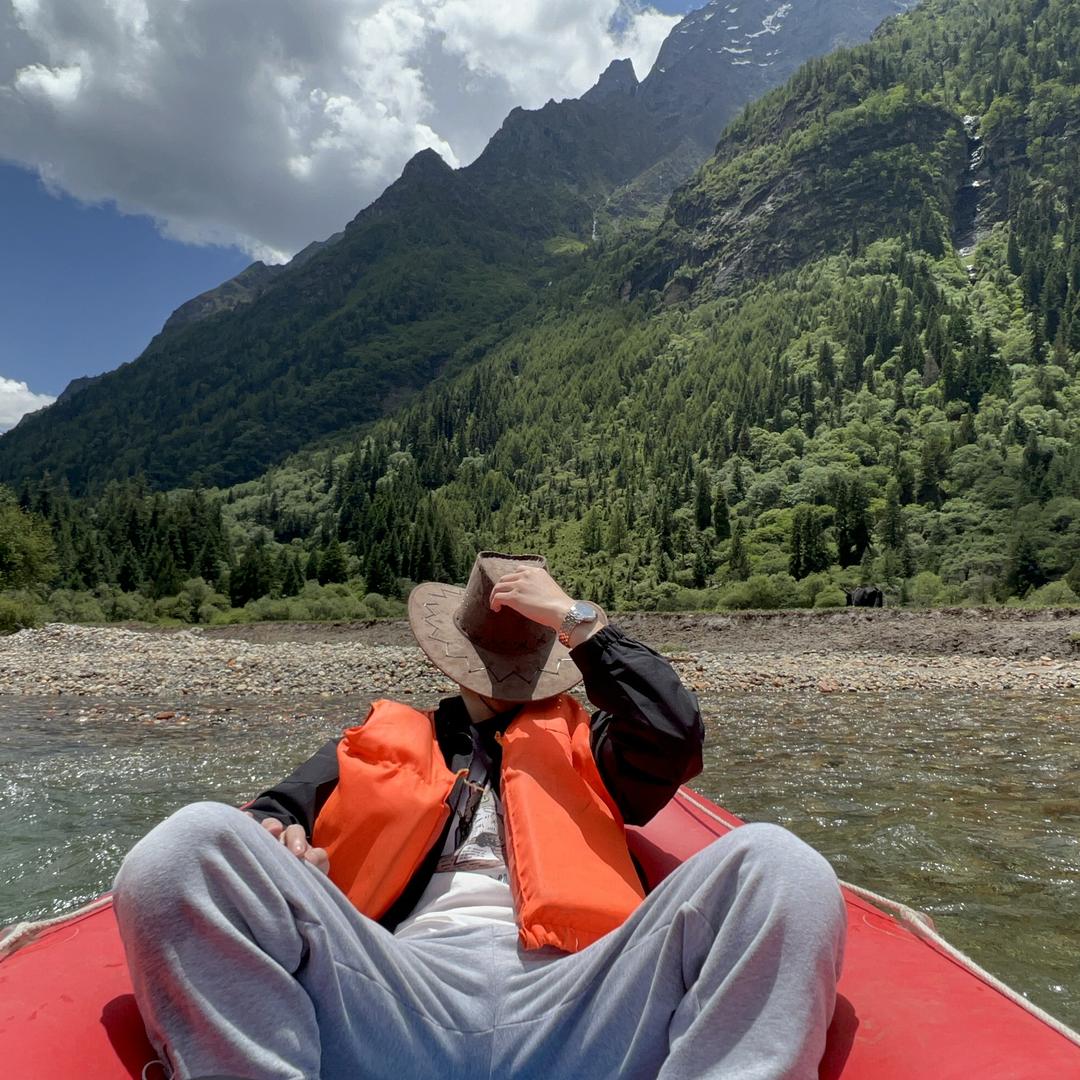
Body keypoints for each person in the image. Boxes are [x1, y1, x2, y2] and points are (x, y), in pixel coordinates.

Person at [114, 552, 845, 1080]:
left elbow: (675, 730)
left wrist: (576, 621)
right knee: (188, 843)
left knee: (779, 863)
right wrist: (284, 840)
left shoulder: (596, 745)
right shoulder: (376, 745)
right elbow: (266, 818)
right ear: (447, 660)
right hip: (392, 992)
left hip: (583, 999)